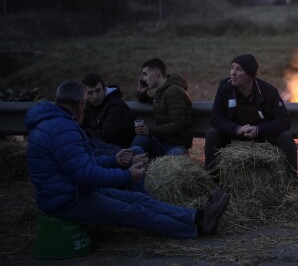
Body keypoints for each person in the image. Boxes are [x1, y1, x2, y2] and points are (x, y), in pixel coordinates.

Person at [26, 80, 230, 238]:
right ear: (80, 104)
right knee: (136, 212)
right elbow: (85, 174)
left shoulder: (57, 123)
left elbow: (81, 165)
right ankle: (197, 230)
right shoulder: (62, 129)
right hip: (67, 200)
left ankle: (199, 215)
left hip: (74, 191)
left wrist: (114, 160)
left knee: (139, 199)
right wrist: (126, 176)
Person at [205, 54, 298, 178]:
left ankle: (290, 182)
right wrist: (237, 129)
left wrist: (259, 130)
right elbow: (216, 118)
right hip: (234, 136)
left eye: (239, 69)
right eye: (232, 68)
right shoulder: (225, 87)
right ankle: (212, 180)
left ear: (250, 74)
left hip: (263, 138)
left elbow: (284, 120)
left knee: (285, 137)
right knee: (212, 134)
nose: (233, 73)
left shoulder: (268, 91)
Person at [134, 58, 193, 157]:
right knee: (140, 139)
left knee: (173, 157)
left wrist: (150, 130)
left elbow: (177, 126)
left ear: (156, 73)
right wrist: (142, 93)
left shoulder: (175, 91)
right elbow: (154, 102)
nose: (143, 79)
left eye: (145, 74)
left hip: (176, 146)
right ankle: (130, 169)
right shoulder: (160, 92)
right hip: (160, 142)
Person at [81, 73, 137, 156]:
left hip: (121, 149)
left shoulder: (116, 105)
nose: (95, 96)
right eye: (90, 93)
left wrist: (85, 132)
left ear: (104, 89)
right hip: (103, 147)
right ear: (85, 94)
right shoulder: (89, 104)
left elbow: (107, 135)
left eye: (97, 90)